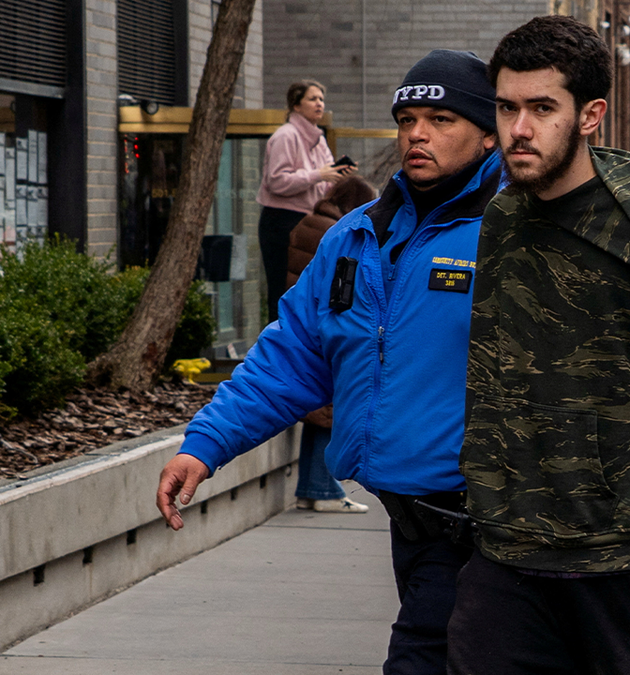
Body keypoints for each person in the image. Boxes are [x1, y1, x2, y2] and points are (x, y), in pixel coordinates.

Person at [156, 49, 504, 675]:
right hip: (414, 522)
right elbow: (291, 358)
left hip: (491, 529)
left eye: (442, 119)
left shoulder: (517, 232)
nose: (417, 134)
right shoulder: (356, 235)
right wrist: (203, 445)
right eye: (407, 119)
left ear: (488, 134)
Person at [446, 16, 630, 675]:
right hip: (506, 548)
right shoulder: (501, 217)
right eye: (508, 107)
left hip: (621, 553)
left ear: (592, 114)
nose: (519, 129)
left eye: (542, 108)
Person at [285, 175, 377, 514]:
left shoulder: (311, 223)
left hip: (309, 324)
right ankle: (324, 489)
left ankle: (315, 487)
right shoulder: (335, 231)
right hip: (325, 329)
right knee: (327, 413)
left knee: (319, 414)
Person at [256, 80, 356, 323]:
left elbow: (323, 182)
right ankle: (278, 354)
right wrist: (318, 174)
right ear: (296, 105)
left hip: (310, 222)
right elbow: (276, 182)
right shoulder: (286, 136)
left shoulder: (319, 138)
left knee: (310, 290)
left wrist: (338, 175)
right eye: (313, 99)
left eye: (321, 99)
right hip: (283, 221)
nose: (319, 104)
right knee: (283, 291)